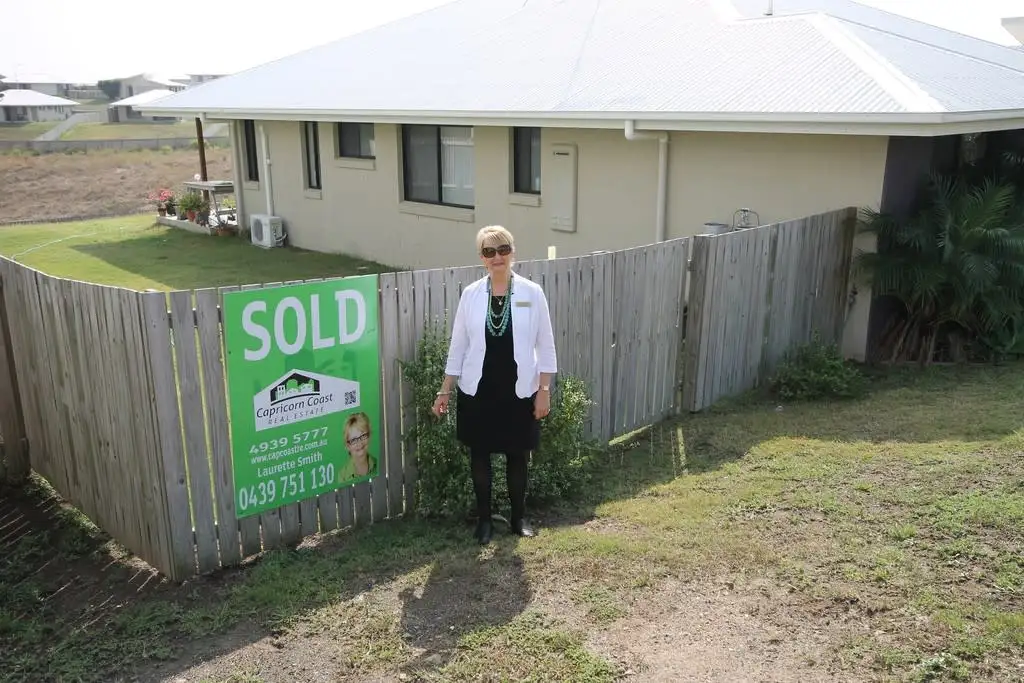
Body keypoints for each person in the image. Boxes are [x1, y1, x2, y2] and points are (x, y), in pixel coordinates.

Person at [432, 226, 557, 545]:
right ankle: (485, 520)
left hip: (519, 389)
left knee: (518, 455)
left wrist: (543, 391)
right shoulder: (471, 295)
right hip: (478, 390)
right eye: (489, 252)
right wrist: (446, 388)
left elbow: (546, 344)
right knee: (480, 456)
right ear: (482, 258)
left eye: (502, 249)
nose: (497, 257)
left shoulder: (532, 293)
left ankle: (519, 518)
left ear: (513, 252)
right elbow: (458, 344)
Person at [337, 411, 377, 484]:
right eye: (354, 440)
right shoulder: (342, 475)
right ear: (347, 445)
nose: (360, 443)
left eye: (363, 436)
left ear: (369, 436)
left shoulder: (377, 463)